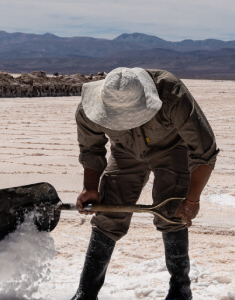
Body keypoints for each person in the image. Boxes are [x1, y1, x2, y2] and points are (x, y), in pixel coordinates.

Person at [71, 67, 219, 300]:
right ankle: (86, 292)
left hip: (172, 149)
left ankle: (181, 290)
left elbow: (205, 151)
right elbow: (91, 148)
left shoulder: (172, 94)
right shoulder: (90, 107)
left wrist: (191, 200)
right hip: (125, 152)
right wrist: (90, 188)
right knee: (108, 213)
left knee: (171, 213)